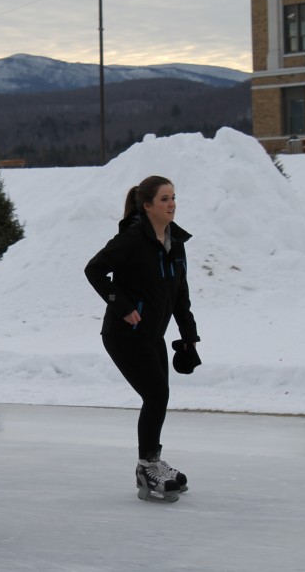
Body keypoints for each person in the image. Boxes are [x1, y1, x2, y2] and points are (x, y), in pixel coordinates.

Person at [84, 175, 199, 503]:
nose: (172, 204)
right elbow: (94, 270)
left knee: (159, 396)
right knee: (157, 394)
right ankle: (147, 468)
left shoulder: (174, 243)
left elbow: (181, 296)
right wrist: (121, 306)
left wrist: (188, 337)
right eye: (164, 199)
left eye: (174, 197)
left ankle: (152, 461)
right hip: (123, 334)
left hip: (152, 334)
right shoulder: (133, 239)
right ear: (147, 205)